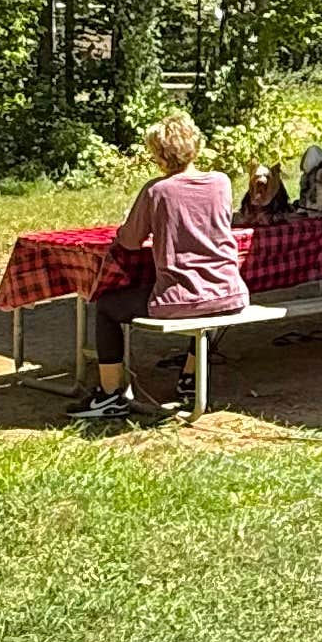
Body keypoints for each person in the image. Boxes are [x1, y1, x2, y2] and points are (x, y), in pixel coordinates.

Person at [80, 114, 246, 420]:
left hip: (181, 297)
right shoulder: (221, 183)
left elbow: (130, 241)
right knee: (205, 308)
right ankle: (189, 378)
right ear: (196, 145)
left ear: (159, 155)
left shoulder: (157, 191)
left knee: (106, 306)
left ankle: (109, 394)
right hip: (229, 293)